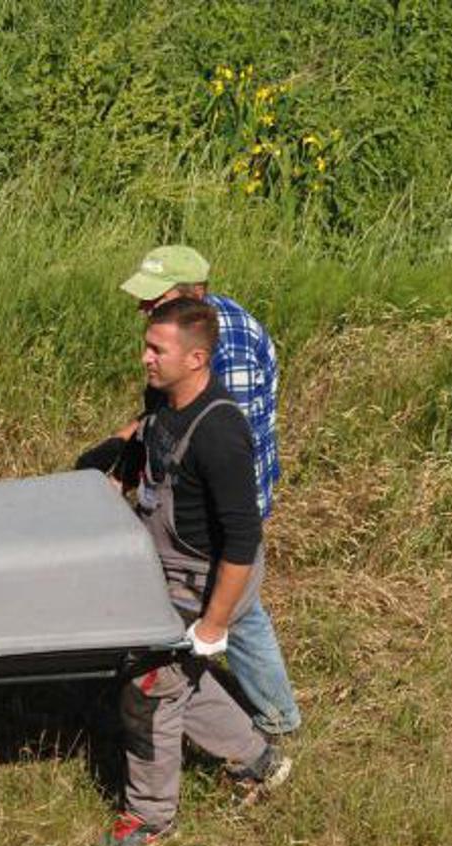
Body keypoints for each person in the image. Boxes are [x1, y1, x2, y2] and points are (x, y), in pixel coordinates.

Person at [77, 298, 292, 846]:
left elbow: (241, 539)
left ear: (196, 359)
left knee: (149, 686)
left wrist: (214, 625)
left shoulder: (220, 432)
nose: (144, 357)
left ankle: (151, 817)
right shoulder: (164, 399)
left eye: (157, 350)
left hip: (209, 577)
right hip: (165, 564)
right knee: (174, 676)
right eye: (146, 346)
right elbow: (145, 447)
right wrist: (107, 476)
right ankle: (257, 759)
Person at [119, 244, 302, 737]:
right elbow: (167, 414)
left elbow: (224, 443)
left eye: (155, 298)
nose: (144, 308)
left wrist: (215, 619)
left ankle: (277, 718)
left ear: (195, 294)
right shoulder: (177, 336)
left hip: (226, 500)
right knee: (234, 605)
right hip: (192, 495)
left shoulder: (231, 348)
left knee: (237, 606)